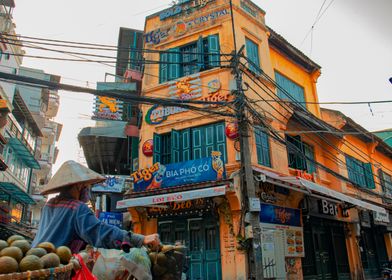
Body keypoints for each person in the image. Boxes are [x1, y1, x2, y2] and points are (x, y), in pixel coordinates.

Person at [32, 160, 159, 253]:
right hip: (53, 267)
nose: (87, 191)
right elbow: (100, 231)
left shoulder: (49, 206)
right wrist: (141, 239)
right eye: (87, 186)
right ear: (78, 186)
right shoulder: (76, 208)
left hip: (35, 258)